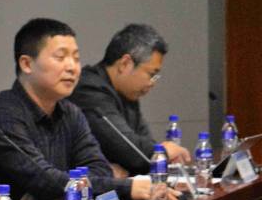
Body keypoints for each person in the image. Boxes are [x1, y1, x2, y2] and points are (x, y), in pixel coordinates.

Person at [0, 18, 177, 200]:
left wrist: (61, 187)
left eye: (76, 58)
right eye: (60, 57)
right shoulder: (2, 119)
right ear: (27, 64)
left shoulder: (70, 112)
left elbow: (99, 168)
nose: (72, 67)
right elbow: (46, 181)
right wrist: (126, 188)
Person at [69, 24, 191, 176]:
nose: (153, 82)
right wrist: (163, 152)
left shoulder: (127, 93)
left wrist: (151, 157)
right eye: (151, 74)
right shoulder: (89, 90)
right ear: (125, 63)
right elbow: (131, 151)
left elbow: (145, 146)